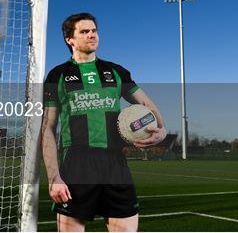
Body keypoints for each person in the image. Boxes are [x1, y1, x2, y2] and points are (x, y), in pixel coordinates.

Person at [41, 12, 167, 232]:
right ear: (69, 39)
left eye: (94, 30)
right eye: (84, 31)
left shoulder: (116, 71)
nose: (92, 35)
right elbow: (48, 129)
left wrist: (162, 130)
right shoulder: (57, 75)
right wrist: (54, 177)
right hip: (77, 163)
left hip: (115, 163)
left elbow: (148, 104)